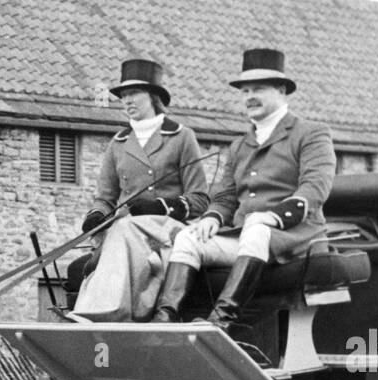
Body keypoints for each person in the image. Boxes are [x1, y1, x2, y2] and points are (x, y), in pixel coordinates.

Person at [152, 48, 335, 335]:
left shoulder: (311, 133)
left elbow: (315, 188)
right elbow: (226, 197)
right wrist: (212, 218)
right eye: (245, 90)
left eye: (258, 88)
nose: (249, 96)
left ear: (282, 90)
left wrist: (271, 217)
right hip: (246, 236)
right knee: (189, 237)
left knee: (256, 229)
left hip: (295, 236)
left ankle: (221, 321)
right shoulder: (239, 146)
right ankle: (164, 318)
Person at [70, 59, 208, 322]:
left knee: (122, 229)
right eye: (123, 95)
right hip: (126, 228)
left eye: (134, 93)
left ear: (153, 96)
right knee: (115, 234)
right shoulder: (119, 143)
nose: (127, 100)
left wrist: (161, 206)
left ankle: (101, 312)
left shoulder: (181, 137)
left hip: (167, 228)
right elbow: (105, 197)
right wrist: (97, 215)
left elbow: (200, 199)